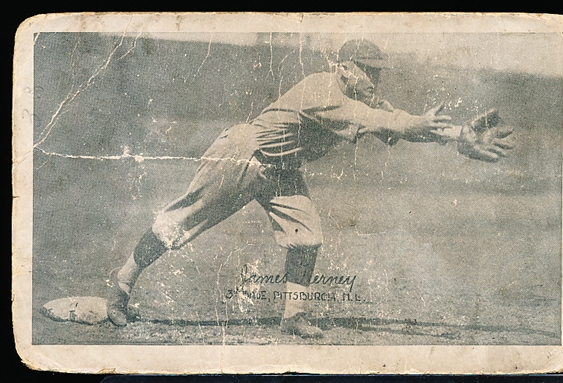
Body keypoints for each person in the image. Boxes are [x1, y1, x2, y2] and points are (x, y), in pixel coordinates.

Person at [107, 39, 513, 338]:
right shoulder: (324, 91)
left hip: (282, 169)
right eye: (368, 70)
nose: (375, 78)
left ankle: (293, 314)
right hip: (244, 154)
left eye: (379, 72)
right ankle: (121, 287)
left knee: (307, 237)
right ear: (345, 69)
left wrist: (460, 134)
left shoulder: (362, 95)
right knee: (181, 222)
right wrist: (425, 127)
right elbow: (393, 124)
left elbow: (402, 123)